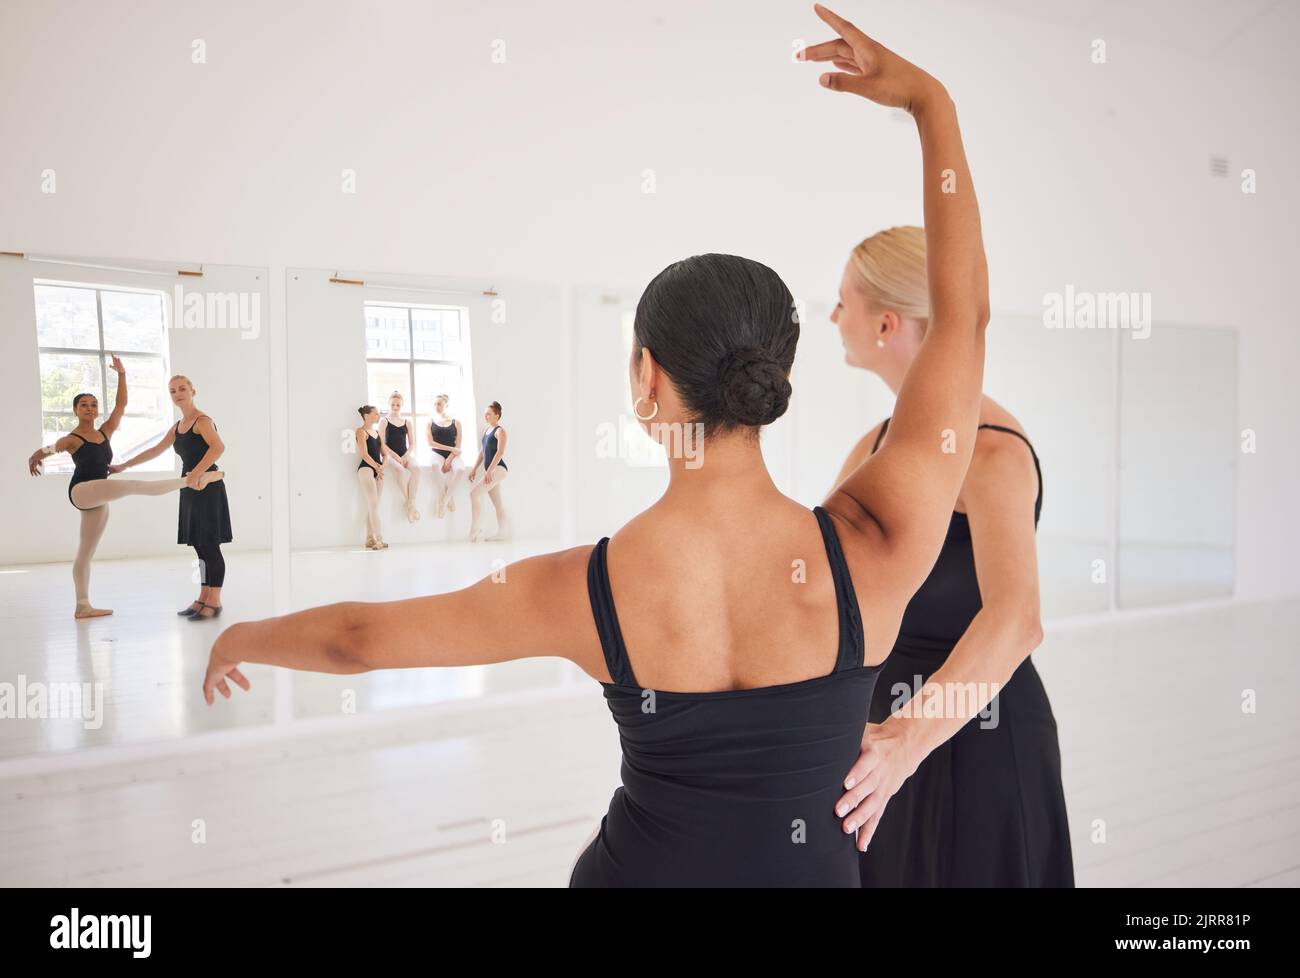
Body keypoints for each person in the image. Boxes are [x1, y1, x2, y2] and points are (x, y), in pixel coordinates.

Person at [203, 6, 990, 886]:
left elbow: (358, 639)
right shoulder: (874, 549)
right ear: (774, 377)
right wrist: (929, 104)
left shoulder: (584, 589)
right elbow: (961, 320)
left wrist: (242, 636)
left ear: (646, 380)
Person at [828, 225, 1072, 886]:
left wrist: (907, 738)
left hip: (979, 740)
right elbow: (821, 580)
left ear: (885, 323)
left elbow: (1017, 619)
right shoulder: (873, 447)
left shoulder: (994, 454)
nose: (831, 317)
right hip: (884, 745)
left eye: (842, 302)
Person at [27, 355, 223, 619]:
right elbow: (51, 449)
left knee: (85, 552)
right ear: (75, 410)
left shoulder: (106, 431)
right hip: (82, 491)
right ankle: (194, 479)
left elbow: (121, 405)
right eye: (83, 405)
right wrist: (36, 454)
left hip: (101, 494)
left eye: (93, 404)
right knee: (132, 486)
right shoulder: (71, 438)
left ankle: (83, 605)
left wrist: (121, 375)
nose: (89, 408)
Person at [112, 375, 234, 621]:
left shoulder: (203, 420)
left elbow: (218, 448)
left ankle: (215, 600)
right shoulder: (178, 426)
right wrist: (123, 465)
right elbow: (156, 450)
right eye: (172, 390)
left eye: (182, 388)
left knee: (210, 546)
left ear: (192, 390)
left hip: (206, 486)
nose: (177, 393)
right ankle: (203, 597)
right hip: (189, 485)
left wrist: (197, 473)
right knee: (199, 547)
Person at [467, 401, 509, 542]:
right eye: (485, 414)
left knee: (474, 494)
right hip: (491, 470)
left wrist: (489, 471)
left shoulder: (500, 431)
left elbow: (500, 452)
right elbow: (482, 452)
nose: (486, 416)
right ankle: (502, 533)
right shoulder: (487, 431)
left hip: (498, 469)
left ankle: (475, 529)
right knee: (498, 504)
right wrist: (474, 469)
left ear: (497, 415)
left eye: (489, 414)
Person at [380, 391, 420, 522]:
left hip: (405, 454)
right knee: (399, 470)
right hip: (389, 455)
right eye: (393, 405)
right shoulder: (384, 421)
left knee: (417, 469)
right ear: (389, 404)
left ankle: (410, 503)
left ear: (402, 405)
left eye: (398, 405)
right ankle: (410, 504)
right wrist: (396, 456)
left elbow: (412, 444)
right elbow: (381, 444)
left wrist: (406, 455)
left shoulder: (407, 422)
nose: (395, 407)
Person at [426, 393, 465, 519]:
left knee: (460, 470)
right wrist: (451, 449)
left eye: (439, 404)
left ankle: (443, 501)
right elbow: (430, 443)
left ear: (446, 405)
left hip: (453, 454)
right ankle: (447, 496)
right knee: (434, 465)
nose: (436, 406)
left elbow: (458, 445)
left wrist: (449, 458)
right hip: (436, 452)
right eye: (435, 404)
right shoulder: (430, 422)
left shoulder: (457, 422)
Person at [355, 406, 388, 549]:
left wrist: (382, 467)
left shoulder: (377, 433)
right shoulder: (360, 431)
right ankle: (379, 539)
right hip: (366, 468)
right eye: (375, 414)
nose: (378, 416)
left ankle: (369, 538)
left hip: (378, 470)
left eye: (378, 414)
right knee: (373, 505)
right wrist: (376, 467)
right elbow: (364, 454)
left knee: (373, 506)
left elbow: (385, 454)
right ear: (366, 415)